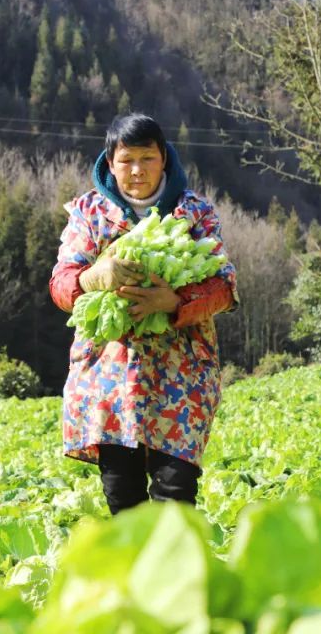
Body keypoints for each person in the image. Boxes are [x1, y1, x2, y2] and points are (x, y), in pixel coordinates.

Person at [49, 113, 238, 515]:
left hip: (181, 379)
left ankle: (173, 577)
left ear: (164, 159)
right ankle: (135, 578)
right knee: (124, 500)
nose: (137, 171)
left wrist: (172, 302)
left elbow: (224, 287)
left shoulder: (194, 214)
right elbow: (61, 284)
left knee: (175, 497)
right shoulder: (90, 213)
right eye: (126, 160)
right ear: (110, 161)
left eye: (147, 158)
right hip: (108, 380)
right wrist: (92, 277)